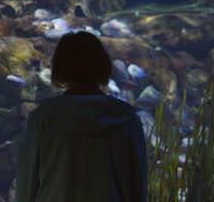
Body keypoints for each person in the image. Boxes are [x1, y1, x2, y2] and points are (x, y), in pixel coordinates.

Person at [16, 31, 147, 202]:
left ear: (60, 67)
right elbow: (138, 184)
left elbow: (27, 184)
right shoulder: (127, 118)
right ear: (103, 65)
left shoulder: (42, 117)